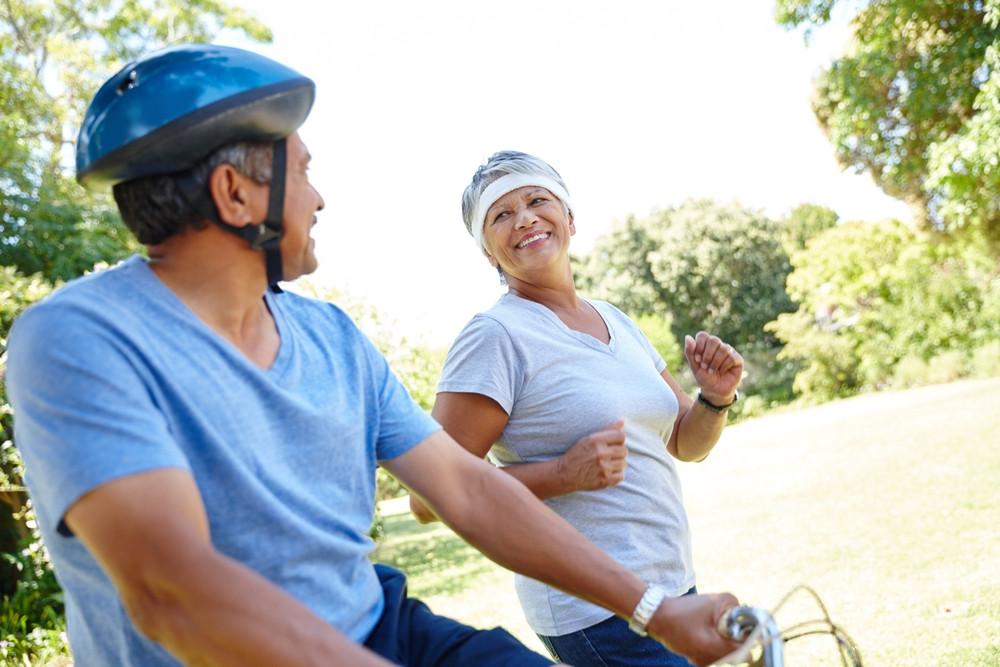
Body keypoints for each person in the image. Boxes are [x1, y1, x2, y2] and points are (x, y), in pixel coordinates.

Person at [4, 45, 743, 667]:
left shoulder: (332, 336)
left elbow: (465, 488)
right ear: (235, 193)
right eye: (304, 170)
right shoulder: (78, 340)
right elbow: (171, 592)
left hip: (380, 626)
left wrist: (653, 609)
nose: (320, 199)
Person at [410, 150, 745, 667]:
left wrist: (715, 397)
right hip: (593, 611)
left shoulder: (614, 318)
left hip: (671, 584)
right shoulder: (496, 336)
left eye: (536, 200)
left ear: (569, 217)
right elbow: (427, 497)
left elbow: (685, 442)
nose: (524, 218)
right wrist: (562, 474)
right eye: (501, 215)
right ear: (488, 253)